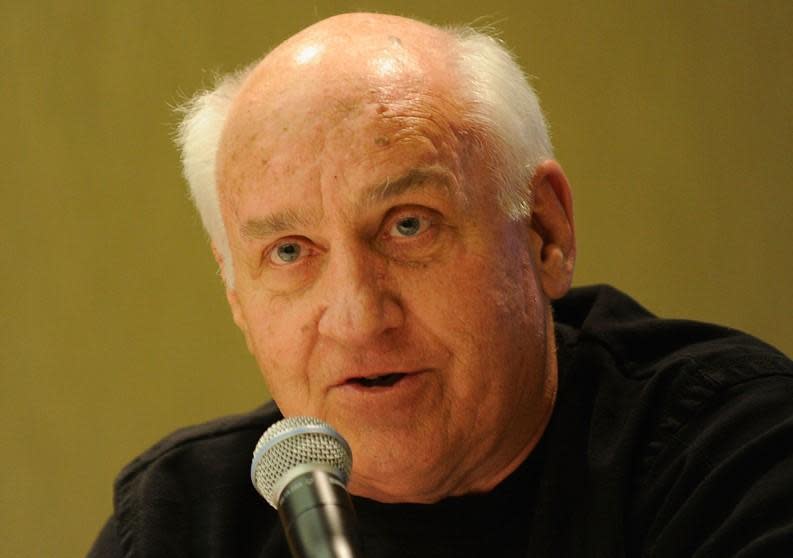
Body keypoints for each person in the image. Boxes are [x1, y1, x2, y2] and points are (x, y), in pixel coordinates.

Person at [88, 12, 793, 557]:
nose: (360, 317)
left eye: (407, 227)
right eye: (291, 250)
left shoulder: (733, 454)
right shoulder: (176, 525)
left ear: (544, 234)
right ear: (236, 296)